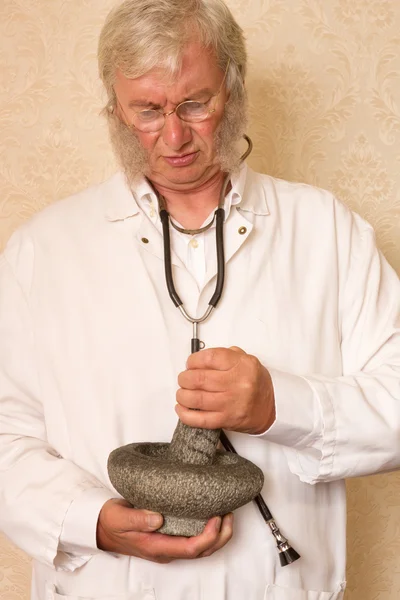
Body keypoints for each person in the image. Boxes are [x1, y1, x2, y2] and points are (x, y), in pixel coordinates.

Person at [0, 0, 399, 599]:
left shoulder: (326, 230)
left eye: (194, 103)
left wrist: (279, 405)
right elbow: (6, 433)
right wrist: (92, 521)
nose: (174, 134)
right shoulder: (43, 248)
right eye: (148, 110)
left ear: (233, 91)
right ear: (115, 109)